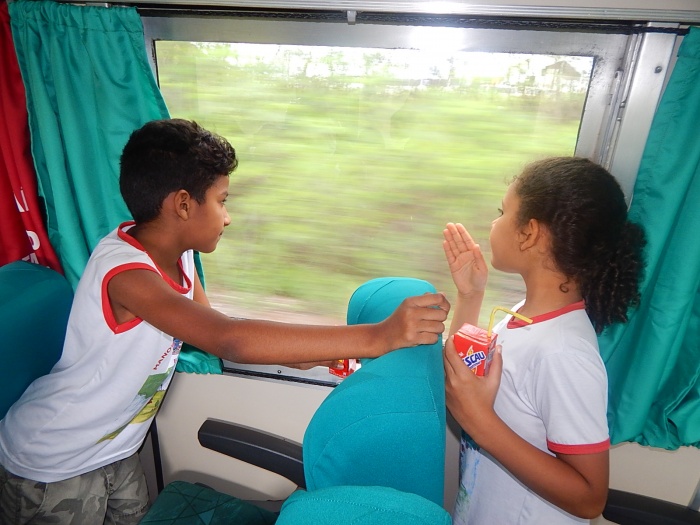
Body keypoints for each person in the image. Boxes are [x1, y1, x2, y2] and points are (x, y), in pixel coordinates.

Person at [0, 118, 450, 525]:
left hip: (114, 447)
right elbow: (227, 338)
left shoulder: (181, 256)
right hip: (54, 457)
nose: (228, 217)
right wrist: (377, 336)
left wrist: (306, 355)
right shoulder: (126, 274)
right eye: (222, 201)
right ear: (182, 204)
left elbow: (209, 326)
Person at [442, 156, 646, 524]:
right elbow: (464, 378)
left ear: (530, 233)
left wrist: (481, 422)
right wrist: (470, 296)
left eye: (502, 212)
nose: (494, 223)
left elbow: (590, 498)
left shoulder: (563, 352)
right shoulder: (523, 315)